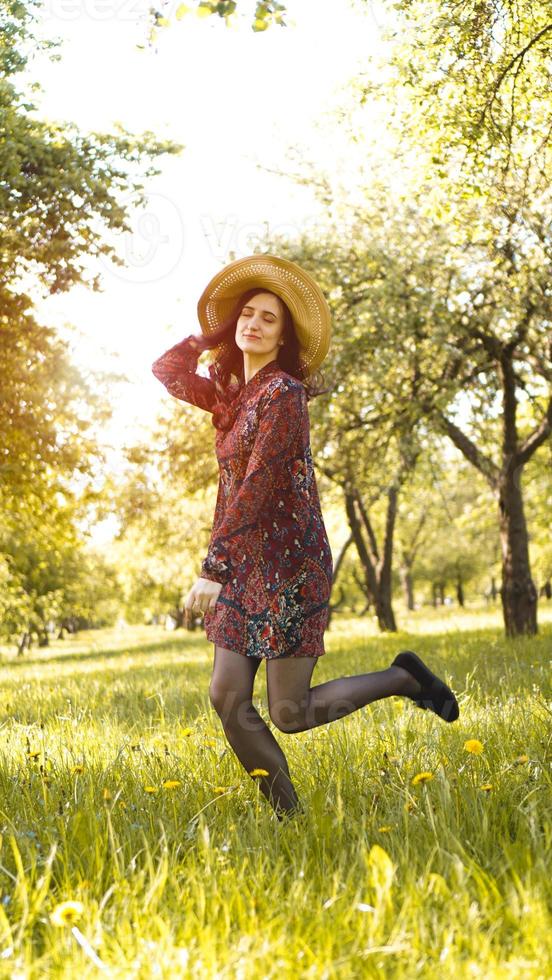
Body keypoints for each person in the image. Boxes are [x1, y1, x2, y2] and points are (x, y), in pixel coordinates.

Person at [151, 254, 460, 821]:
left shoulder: (284, 395)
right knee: (226, 696)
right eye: (247, 314)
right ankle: (289, 820)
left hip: (289, 561)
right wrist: (209, 332)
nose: (255, 324)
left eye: (270, 319)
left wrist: (212, 566)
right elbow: (167, 370)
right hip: (243, 559)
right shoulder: (229, 393)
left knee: (289, 711)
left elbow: (261, 485)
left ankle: (403, 677)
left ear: (284, 337)